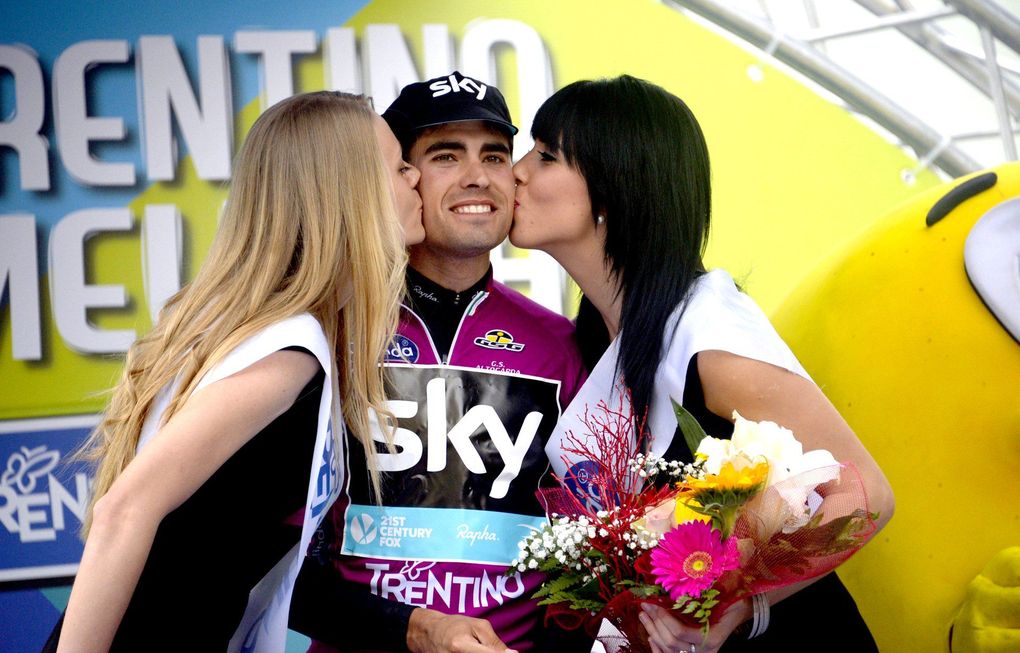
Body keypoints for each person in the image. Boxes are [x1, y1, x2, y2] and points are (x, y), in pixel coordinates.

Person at [510, 75, 896, 653]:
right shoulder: (591, 342)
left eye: (545, 156)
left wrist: (740, 605)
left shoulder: (710, 334)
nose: (516, 172)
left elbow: (866, 494)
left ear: (614, 189)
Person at [46, 90, 421, 653]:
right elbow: (123, 511)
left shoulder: (278, 335)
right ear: (351, 193)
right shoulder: (286, 351)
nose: (416, 178)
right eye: (398, 167)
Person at [290, 72, 588, 653]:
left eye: (494, 155)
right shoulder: (327, 334)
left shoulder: (564, 346)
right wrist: (409, 629)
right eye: (446, 155)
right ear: (401, 177)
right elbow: (275, 562)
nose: (478, 175)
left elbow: (586, 557)